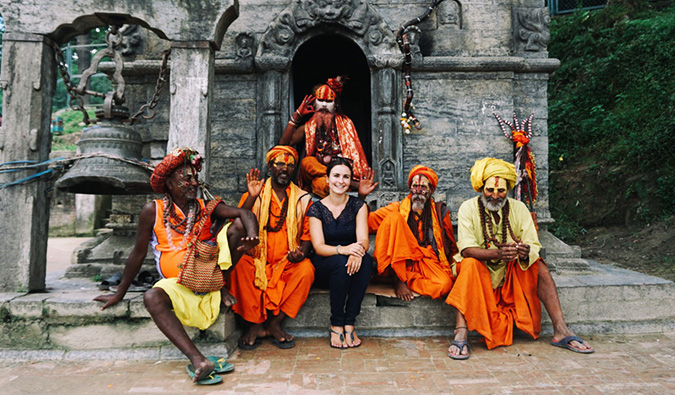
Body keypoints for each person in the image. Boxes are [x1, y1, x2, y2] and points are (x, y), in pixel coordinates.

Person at [94, 147, 260, 384]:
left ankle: (221, 285)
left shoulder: (205, 207)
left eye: (195, 178)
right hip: (177, 285)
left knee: (238, 228)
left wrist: (252, 235)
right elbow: (137, 253)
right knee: (151, 297)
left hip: (207, 278)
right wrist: (119, 293)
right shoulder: (153, 210)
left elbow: (245, 214)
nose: (194, 183)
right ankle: (198, 360)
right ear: (169, 184)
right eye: (186, 179)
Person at [445, 157, 594, 360]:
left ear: (508, 190)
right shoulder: (468, 208)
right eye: (490, 190)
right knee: (468, 265)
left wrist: (524, 252)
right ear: (481, 188)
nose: (495, 196)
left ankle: (561, 330)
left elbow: (533, 245)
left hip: (509, 271)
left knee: (539, 266)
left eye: (501, 191)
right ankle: (461, 331)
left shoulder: (519, 208)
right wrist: (497, 254)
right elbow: (467, 249)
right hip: (479, 270)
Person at [228, 145, 315, 350]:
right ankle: (255, 324)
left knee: (306, 270)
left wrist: (301, 253)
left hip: (287, 262)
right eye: (280, 164)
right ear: (270, 167)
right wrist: (251, 196)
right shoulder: (255, 193)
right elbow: (236, 224)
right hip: (256, 258)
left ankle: (275, 324)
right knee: (238, 267)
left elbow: (308, 236)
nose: (285, 168)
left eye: (290, 165)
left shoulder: (303, 199)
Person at [307, 157, 373, 348]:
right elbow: (318, 246)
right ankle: (336, 323)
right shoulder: (316, 209)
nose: (341, 181)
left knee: (366, 261)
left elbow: (363, 240)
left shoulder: (358, 206)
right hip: (325, 262)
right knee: (339, 264)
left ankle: (350, 322)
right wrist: (344, 250)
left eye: (346, 177)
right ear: (327, 179)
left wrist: (356, 252)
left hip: (352, 259)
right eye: (336, 176)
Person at [365, 165, 458, 301]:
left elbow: (451, 245)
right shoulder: (397, 208)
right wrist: (361, 197)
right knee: (393, 217)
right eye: (415, 186)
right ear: (410, 188)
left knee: (444, 285)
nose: (418, 191)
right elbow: (367, 222)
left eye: (423, 187)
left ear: (431, 190)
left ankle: (407, 280)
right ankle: (398, 279)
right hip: (401, 261)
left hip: (426, 260)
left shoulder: (439, 212)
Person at [279, 76, 369, 198]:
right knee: (307, 162)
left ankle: (340, 180)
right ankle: (348, 183)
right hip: (321, 175)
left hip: (341, 172)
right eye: (321, 100)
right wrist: (296, 116)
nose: (324, 105)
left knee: (321, 184)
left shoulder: (346, 123)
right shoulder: (309, 127)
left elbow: (354, 156)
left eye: (329, 101)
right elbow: (284, 144)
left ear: (335, 104)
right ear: (315, 104)